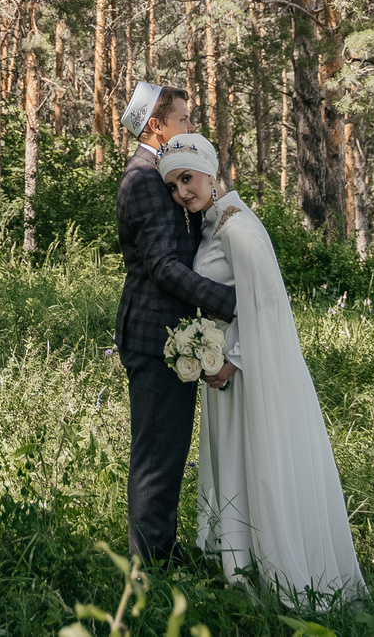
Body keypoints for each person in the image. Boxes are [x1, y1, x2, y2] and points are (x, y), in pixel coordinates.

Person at [158, 132, 364, 602]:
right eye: (173, 186)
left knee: (255, 460)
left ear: (210, 172)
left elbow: (267, 305)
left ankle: (278, 572)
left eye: (187, 179)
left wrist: (229, 361)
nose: (181, 193)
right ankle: (238, 561)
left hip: (245, 374)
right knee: (232, 460)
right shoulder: (215, 223)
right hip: (225, 373)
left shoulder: (237, 228)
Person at [115, 83, 237, 568]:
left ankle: (159, 549)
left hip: (172, 335)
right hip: (154, 334)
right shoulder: (143, 180)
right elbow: (163, 266)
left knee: (168, 452)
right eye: (183, 119)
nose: (190, 127)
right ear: (155, 126)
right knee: (156, 458)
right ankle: (147, 569)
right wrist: (228, 301)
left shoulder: (161, 173)